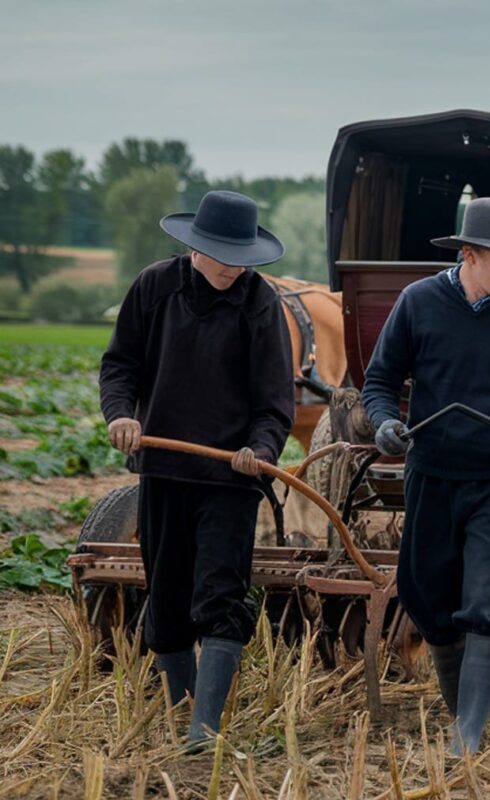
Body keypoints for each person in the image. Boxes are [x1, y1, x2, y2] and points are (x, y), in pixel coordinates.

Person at [361, 197, 490, 754]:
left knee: (487, 597)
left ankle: (467, 737)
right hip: (433, 474)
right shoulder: (418, 303)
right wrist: (384, 422)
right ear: (471, 254)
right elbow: (380, 381)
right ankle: (463, 715)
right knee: (427, 595)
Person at [99, 190, 294, 749]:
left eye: (243, 257)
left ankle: (204, 730)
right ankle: (180, 714)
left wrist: (259, 449)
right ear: (195, 248)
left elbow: (275, 400)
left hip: (231, 478)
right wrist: (120, 417)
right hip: (162, 469)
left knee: (218, 596)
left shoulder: (259, 302)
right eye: (223, 255)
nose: (234, 267)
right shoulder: (154, 288)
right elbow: (120, 367)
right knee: (166, 597)